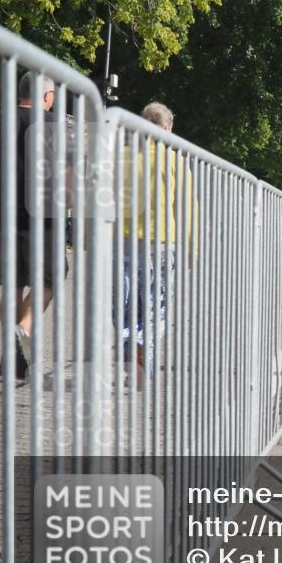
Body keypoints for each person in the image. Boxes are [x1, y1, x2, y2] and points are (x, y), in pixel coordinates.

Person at [0, 72, 68, 381]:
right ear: (47, 96)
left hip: (1, 216)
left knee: (12, 284)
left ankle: (12, 357)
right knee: (50, 281)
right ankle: (21, 334)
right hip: (43, 218)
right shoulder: (54, 125)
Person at [115, 102, 193, 380]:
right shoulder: (175, 161)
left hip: (124, 241)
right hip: (161, 241)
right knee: (157, 304)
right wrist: (190, 248)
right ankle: (142, 344)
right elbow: (185, 209)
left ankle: (130, 344)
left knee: (126, 304)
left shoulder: (122, 157)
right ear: (168, 128)